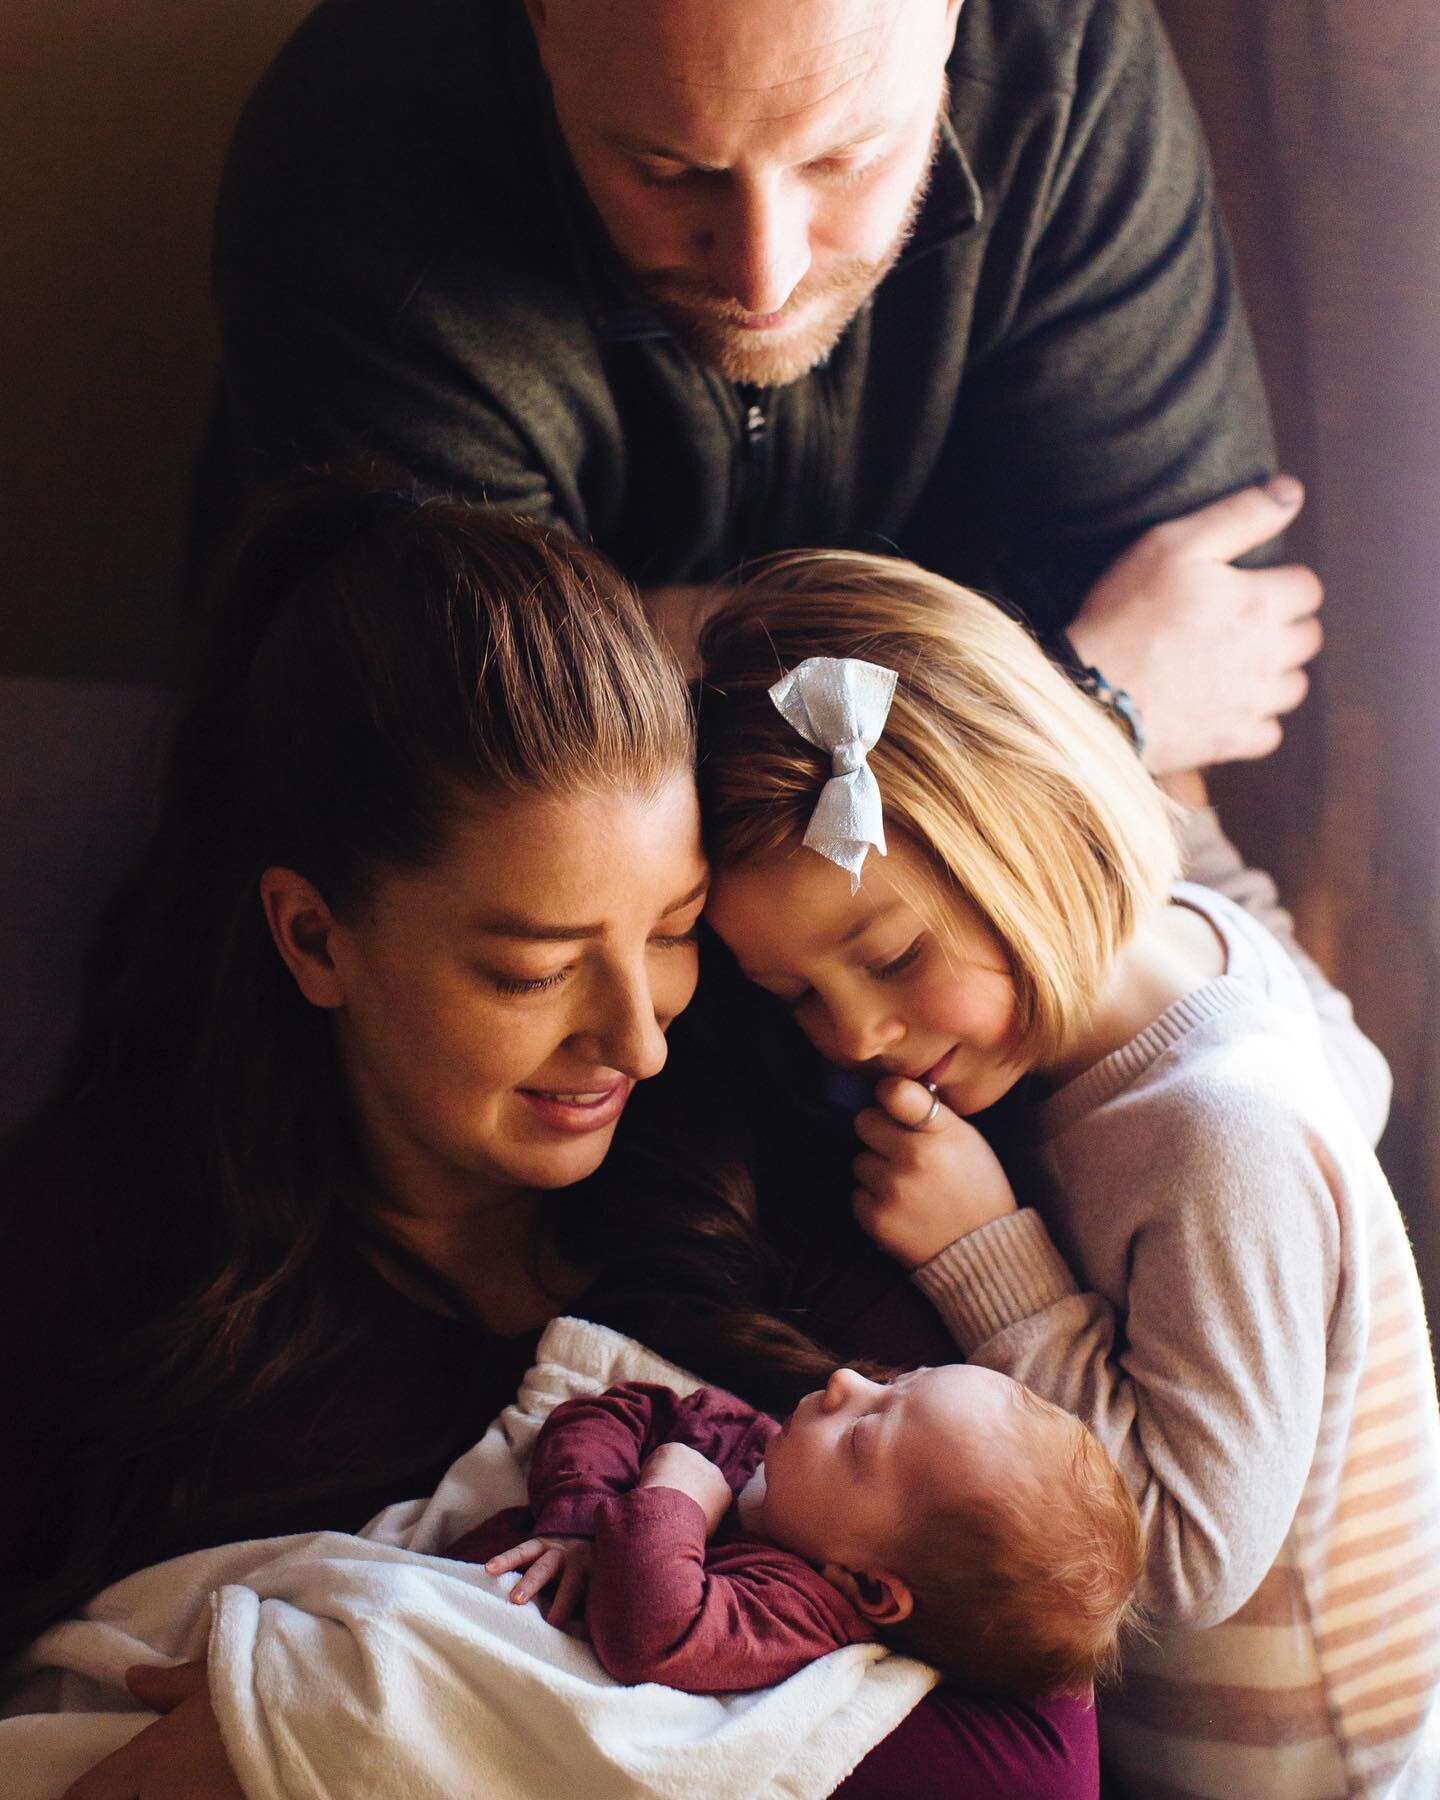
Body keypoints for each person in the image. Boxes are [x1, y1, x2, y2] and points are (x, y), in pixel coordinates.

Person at [0, 482, 1100, 1798]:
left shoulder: (801, 1209)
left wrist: (349, 1744)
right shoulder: (90, 1252)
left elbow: (1027, 1765)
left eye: (674, 930)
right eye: (532, 968)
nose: (638, 1041)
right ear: (315, 937)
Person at [694, 550, 1440, 1798]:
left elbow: (1191, 1560)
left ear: (1028, 827)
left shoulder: (1217, 1136)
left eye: (888, 954)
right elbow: (1352, 1076)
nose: (855, 1035)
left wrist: (985, 1260)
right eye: (795, 998)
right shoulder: (1205, 942)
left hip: (1293, 1763)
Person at [211, 0, 1324, 785]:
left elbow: (1207, 614)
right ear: (542, 19)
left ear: (952, 13)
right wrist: (1090, 707)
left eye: (844, 159)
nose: (764, 276)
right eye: (668, 168)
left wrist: (661, 641)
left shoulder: (1063, 55)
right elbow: (485, 768)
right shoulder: (354, 158)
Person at [458, 1365, 1142, 1699]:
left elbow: (653, 1631)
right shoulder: (755, 1444)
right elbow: (613, 1411)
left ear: (871, 1586)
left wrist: (675, 1497)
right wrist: (579, 1516)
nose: (844, 1381)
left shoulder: (796, 1606)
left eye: (862, 1437)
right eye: (892, 1381)